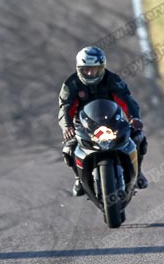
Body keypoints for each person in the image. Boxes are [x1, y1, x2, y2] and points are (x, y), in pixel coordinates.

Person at [58, 46, 148, 196]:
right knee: (69, 148)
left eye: (95, 69)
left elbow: (126, 99)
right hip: (84, 126)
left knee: (138, 137)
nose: (90, 73)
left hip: (112, 121)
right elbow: (65, 108)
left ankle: (137, 172)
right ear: (79, 68)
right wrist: (67, 126)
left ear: (102, 68)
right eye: (86, 69)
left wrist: (134, 118)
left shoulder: (112, 79)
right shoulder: (71, 84)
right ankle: (79, 179)